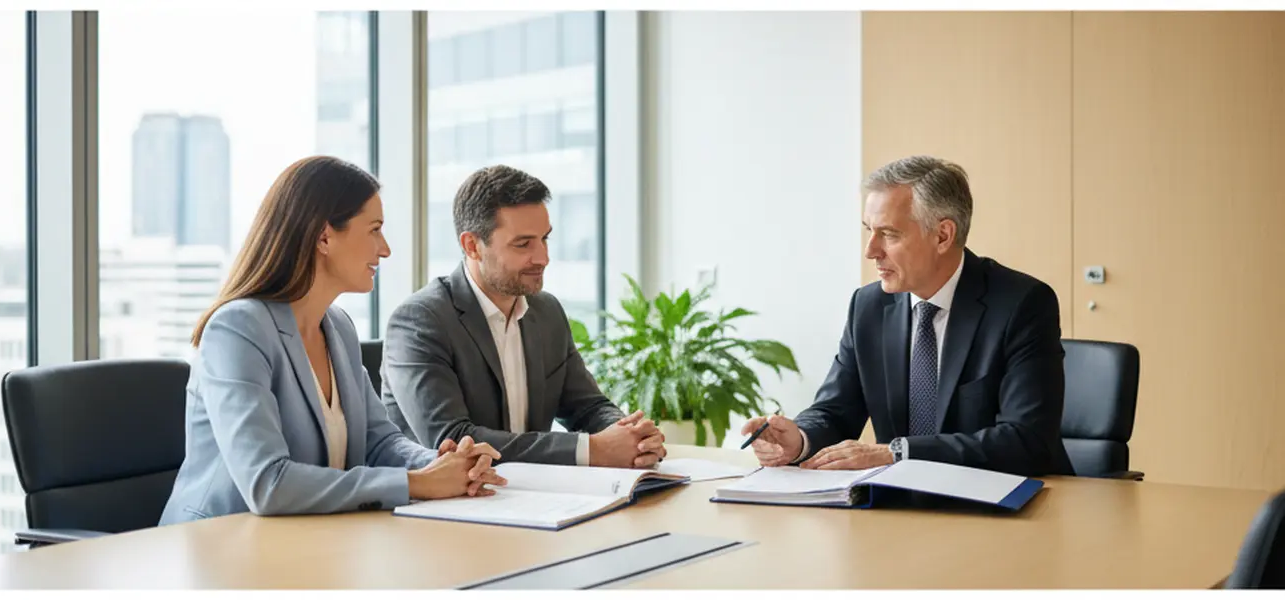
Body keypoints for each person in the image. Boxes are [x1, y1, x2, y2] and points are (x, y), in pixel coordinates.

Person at [159, 156, 506, 526]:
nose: (385, 249)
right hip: (219, 549)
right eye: (374, 230)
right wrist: (417, 483)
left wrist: (443, 464)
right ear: (324, 236)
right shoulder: (237, 329)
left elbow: (379, 442)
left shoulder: (337, 327)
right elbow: (267, 483)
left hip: (309, 541)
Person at [741, 155, 1074, 477]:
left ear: (943, 235)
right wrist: (799, 440)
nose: (871, 250)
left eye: (888, 234)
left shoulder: (1022, 304)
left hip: (1006, 509)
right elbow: (836, 409)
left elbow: (1026, 441)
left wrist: (897, 453)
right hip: (900, 505)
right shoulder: (868, 307)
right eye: (868, 230)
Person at [380, 165, 665, 467]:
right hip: (443, 504)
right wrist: (592, 450)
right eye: (523, 244)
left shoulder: (547, 312)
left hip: (531, 499)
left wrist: (630, 436)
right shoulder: (419, 321)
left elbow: (587, 407)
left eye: (545, 239)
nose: (543, 257)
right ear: (472, 246)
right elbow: (452, 439)